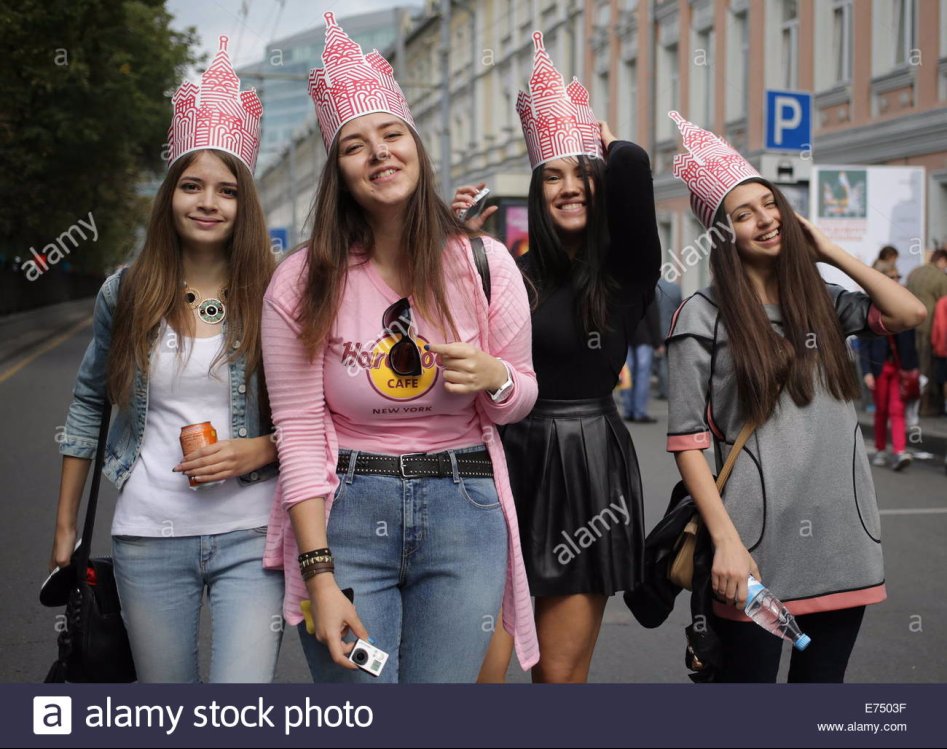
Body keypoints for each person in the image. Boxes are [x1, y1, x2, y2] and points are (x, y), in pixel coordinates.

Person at [260, 13, 539, 684]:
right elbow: (297, 430)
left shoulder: (484, 263)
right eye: (356, 145)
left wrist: (496, 375)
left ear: (416, 148)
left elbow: (519, 398)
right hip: (348, 515)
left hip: (464, 515)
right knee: (364, 693)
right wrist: (319, 576)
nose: (379, 152)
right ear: (339, 170)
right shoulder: (300, 281)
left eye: (392, 134)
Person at [49, 37, 283, 682]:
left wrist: (260, 449)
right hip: (148, 537)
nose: (208, 202)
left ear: (244, 205)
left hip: (254, 536)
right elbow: (89, 404)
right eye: (192, 185)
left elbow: (316, 412)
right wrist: (65, 527)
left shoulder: (277, 293)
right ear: (169, 195)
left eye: (226, 191)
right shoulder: (126, 292)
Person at [664, 112, 926, 683]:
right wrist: (726, 543)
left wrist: (828, 251)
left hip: (844, 541)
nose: (763, 220)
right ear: (722, 234)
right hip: (753, 551)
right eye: (742, 214)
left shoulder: (826, 302)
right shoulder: (701, 317)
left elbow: (911, 313)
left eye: (769, 204)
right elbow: (688, 443)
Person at [454, 31, 660, 683]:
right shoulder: (509, 270)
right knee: (475, 675)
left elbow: (634, 175)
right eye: (553, 176)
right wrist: (462, 251)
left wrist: (609, 146)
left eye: (582, 175)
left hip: (586, 470)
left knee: (558, 681)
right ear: (536, 191)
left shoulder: (628, 269)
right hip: (503, 463)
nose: (568, 187)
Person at [859, 262, 918, 471]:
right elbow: (864, 343)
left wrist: (913, 368)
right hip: (879, 367)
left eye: (897, 277)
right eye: (891, 277)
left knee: (897, 408)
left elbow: (912, 340)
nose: (896, 281)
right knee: (881, 410)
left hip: (899, 368)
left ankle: (900, 451)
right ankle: (881, 449)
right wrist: (866, 371)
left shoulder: (905, 302)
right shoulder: (870, 305)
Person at [906, 248, 947, 416]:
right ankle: (927, 406)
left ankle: (914, 404)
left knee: (914, 365)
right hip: (930, 326)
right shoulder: (940, 278)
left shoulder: (914, 272)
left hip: (909, 325)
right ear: (942, 261)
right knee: (928, 366)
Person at [622, 297, 661, 423]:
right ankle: (639, 412)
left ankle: (628, 410)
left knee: (628, 374)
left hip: (626, 337)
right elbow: (653, 316)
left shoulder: (621, 287)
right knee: (642, 376)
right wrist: (657, 341)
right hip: (644, 337)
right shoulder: (646, 286)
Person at [655, 278, 682, 399]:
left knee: (661, 362)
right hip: (672, 329)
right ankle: (671, 389)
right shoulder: (675, 289)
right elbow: (680, 308)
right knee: (670, 361)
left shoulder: (653, 288)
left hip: (656, 330)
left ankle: (664, 390)